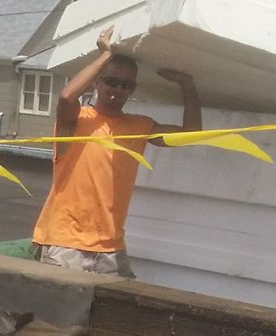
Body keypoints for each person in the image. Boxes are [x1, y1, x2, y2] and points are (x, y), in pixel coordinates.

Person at [32, 27, 200, 276]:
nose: (117, 89)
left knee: (117, 312)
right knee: (56, 315)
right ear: (98, 82)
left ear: (132, 90)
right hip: (64, 242)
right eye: (111, 81)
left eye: (126, 85)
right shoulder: (78, 120)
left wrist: (187, 85)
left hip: (111, 247)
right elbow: (67, 97)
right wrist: (105, 55)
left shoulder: (139, 126)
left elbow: (191, 135)